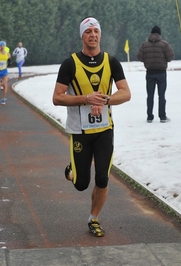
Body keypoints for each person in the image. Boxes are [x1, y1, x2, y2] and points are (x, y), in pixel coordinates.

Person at [52, 17, 131, 237]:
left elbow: (126, 93)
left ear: (100, 35)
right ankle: (72, 171)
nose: (93, 35)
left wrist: (105, 100)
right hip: (80, 131)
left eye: (96, 31)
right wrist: (86, 98)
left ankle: (93, 218)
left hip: (105, 130)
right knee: (80, 184)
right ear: (82, 36)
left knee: (103, 177)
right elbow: (57, 98)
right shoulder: (70, 64)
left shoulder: (111, 61)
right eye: (88, 32)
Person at [137, 25, 174, 123]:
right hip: (161, 73)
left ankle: (149, 116)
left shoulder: (144, 45)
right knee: (161, 95)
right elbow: (170, 57)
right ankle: (162, 116)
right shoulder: (165, 44)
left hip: (150, 73)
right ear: (159, 34)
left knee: (150, 95)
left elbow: (139, 57)